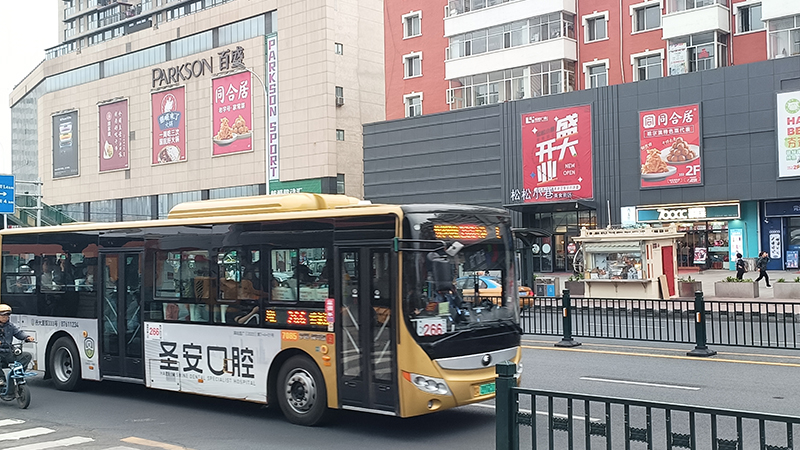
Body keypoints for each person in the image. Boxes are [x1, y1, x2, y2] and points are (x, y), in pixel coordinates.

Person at [0, 304, 34, 378]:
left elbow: (19, 333)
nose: (5, 317)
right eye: (3, 315)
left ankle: (17, 375)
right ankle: (1, 379)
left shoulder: (11, 326)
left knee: (27, 356)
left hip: (9, 353)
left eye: (7, 315)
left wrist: (27, 337)